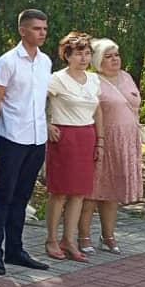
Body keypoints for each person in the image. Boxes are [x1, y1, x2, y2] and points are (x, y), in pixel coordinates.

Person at [0, 9, 53, 275]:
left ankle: (15, 249)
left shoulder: (45, 61)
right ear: (22, 30)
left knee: (23, 196)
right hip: (13, 136)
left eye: (45, 28)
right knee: (4, 194)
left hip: (37, 138)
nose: (42, 33)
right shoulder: (7, 62)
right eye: (37, 28)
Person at [78, 39, 143, 254]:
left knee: (113, 191)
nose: (115, 59)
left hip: (126, 142)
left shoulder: (126, 77)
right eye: (108, 56)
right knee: (93, 191)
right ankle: (83, 236)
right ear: (98, 60)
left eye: (116, 54)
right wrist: (98, 141)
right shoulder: (92, 81)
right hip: (102, 141)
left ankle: (108, 236)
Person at [44, 31, 103, 262]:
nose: (84, 58)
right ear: (67, 55)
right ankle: (51, 239)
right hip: (63, 136)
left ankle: (69, 240)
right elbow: (37, 101)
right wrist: (46, 124)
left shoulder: (94, 80)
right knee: (59, 192)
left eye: (87, 53)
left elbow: (97, 111)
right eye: (79, 54)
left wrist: (100, 141)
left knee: (79, 192)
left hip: (86, 136)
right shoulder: (56, 79)